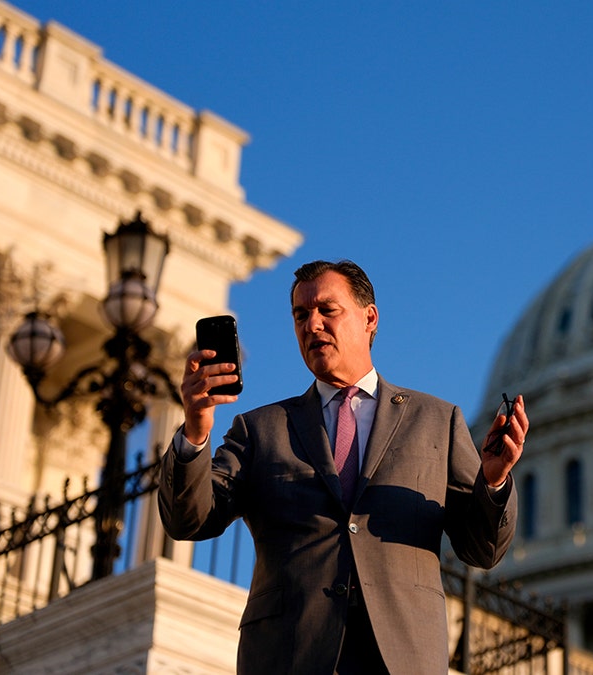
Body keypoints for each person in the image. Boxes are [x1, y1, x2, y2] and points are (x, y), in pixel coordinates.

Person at [158, 259, 526, 674]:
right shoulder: (259, 430)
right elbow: (187, 521)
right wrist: (194, 430)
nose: (311, 324)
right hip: (289, 655)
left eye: (326, 310)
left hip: (401, 656)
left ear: (369, 318)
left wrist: (493, 481)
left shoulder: (437, 421)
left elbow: (482, 550)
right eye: (300, 315)